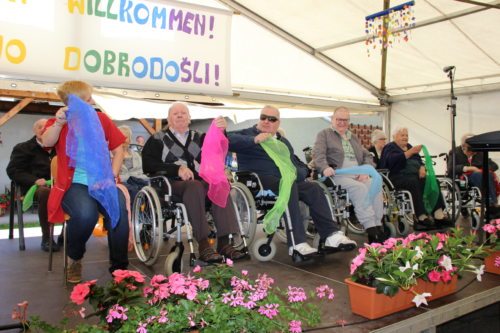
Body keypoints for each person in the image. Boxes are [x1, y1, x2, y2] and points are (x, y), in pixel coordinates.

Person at [228, 105, 356, 258]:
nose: (266, 121)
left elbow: (296, 164)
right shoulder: (247, 134)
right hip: (259, 181)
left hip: (286, 180)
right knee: (288, 187)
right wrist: (254, 139)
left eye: (272, 119)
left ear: (278, 123)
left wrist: (300, 173)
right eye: (263, 117)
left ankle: (331, 235)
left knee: (314, 188)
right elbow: (225, 138)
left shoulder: (283, 142)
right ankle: (297, 244)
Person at [41, 80, 129, 284]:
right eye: (86, 98)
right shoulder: (60, 121)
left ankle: (120, 269)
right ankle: (75, 257)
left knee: (118, 214)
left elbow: (118, 151)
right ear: (72, 102)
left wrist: (111, 176)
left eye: (90, 97)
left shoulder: (101, 119)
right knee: (85, 214)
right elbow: (47, 142)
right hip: (74, 184)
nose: (91, 100)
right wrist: (59, 123)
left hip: (102, 181)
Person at [141, 102, 246, 262]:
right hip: (171, 184)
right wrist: (176, 169)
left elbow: (217, 150)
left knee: (219, 185)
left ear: (189, 118)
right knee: (194, 186)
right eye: (175, 113)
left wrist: (222, 131)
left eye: (183, 113)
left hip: (199, 183)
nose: (180, 115)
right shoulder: (157, 139)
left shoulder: (199, 137)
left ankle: (225, 244)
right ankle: (204, 245)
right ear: (168, 119)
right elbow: (148, 165)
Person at [313, 106, 386, 243]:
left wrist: (366, 169)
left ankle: (377, 225)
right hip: (336, 174)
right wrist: (324, 167)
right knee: (360, 189)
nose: (342, 123)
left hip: (357, 173)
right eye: (339, 119)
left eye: (345, 120)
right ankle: (371, 229)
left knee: (376, 185)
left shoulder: (353, 137)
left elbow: (367, 155)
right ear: (332, 119)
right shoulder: (324, 134)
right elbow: (318, 155)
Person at [379, 127, 452, 230]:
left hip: (415, 175)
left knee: (433, 181)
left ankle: (438, 214)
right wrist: (409, 152)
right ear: (394, 137)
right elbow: (391, 161)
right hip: (397, 177)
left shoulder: (409, 146)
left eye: (406, 135)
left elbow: (418, 159)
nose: (405, 137)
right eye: (402, 135)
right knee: (413, 182)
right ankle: (420, 217)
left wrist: (422, 167)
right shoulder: (389, 147)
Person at [6, 119, 58, 252]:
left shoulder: (59, 149)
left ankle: (65, 236)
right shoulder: (23, 148)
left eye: (47, 126)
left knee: (77, 191)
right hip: (32, 188)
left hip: (57, 186)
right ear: (34, 131)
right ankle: (47, 238)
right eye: (40, 127)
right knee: (45, 192)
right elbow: (13, 170)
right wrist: (34, 180)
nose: (43, 129)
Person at [448, 133, 498, 206]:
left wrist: (481, 169)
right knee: (478, 175)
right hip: (462, 178)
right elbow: (451, 168)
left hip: (480, 175)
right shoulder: (455, 151)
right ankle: (490, 200)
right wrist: (469, 168)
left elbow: (494, 165)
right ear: (463, 146)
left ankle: (492, 201)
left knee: (487, 174)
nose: (473, 152)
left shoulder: (479, 152)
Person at [118, 126, 149, 200]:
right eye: (120, 137)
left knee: (150, 188)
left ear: (130, 139)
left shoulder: (135, 155)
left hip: (137, 180)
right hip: (122, 181)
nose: (123, 140)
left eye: (126, 137)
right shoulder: (113, 155)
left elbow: (141, 170)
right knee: (133, 191)